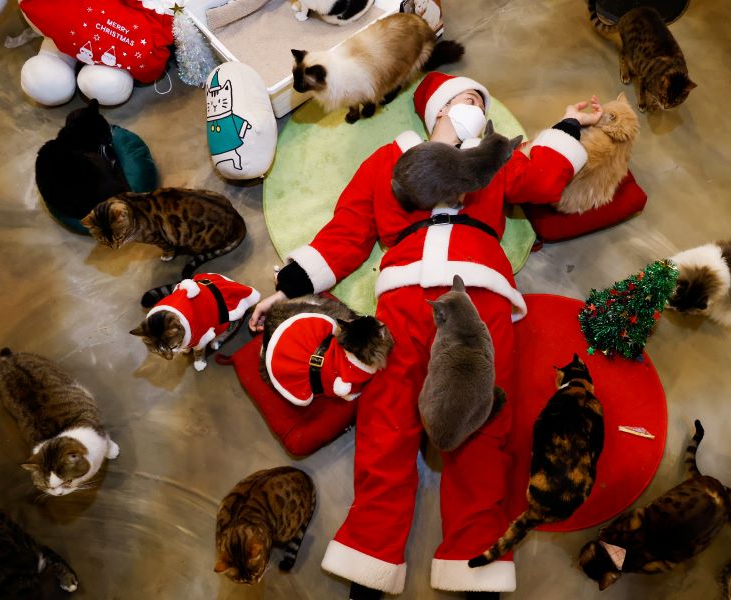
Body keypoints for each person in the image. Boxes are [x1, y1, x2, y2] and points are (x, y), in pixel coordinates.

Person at [250, 72, 602, 600]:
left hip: (478, 294)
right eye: (466, 98)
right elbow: (346, 234)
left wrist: (571, 123)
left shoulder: (493, 158)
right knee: (386, 421)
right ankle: (370, 556)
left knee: (483, 424)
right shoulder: (387, 161)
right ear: (437, 107)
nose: (476, 107)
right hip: (404, 297)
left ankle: (476, 562)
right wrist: (288, 288)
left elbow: (545, 180)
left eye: (482, 103)